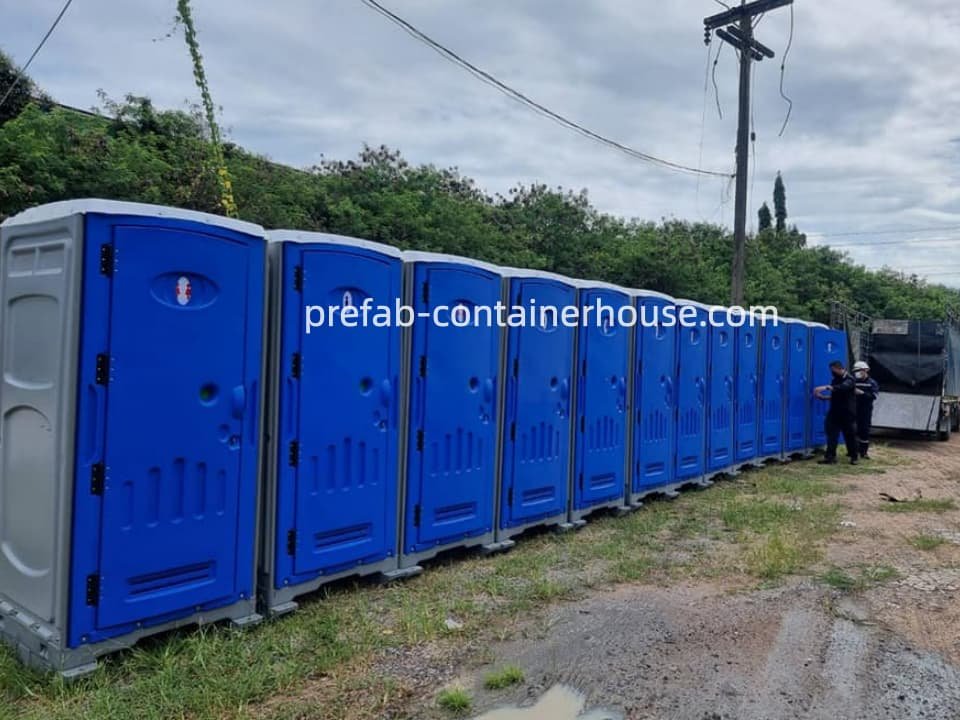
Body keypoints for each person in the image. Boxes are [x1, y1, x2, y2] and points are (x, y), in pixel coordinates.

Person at [813, 360, 859, 465]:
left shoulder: (850, 379)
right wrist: (824, 398)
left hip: (847, 413)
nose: (832, 372)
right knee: (831, 434)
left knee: (850, 435)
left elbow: (843, 388)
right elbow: (836, 395)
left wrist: (826, 387)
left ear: (839, 368)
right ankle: (830, 457)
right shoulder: (835, 379)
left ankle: (854, 456)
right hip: (835, 411)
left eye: (833, 370)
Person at [852, 360, 880, 459]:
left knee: (864, 430)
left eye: (859, 370)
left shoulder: (872, 383)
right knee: (853, 430)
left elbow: (874, 396)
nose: (857, 373)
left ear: (865, 370)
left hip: (865, 410)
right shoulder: (854, 381)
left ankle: (863, 452)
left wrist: (862, 393)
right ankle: (853, 451)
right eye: (855, 371)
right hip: (854, 409)